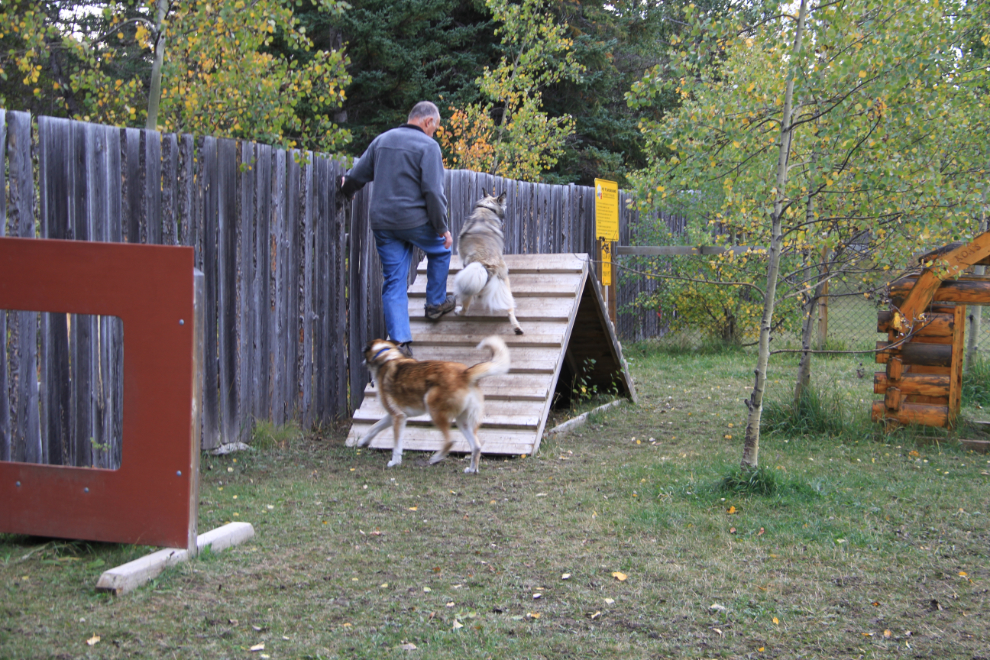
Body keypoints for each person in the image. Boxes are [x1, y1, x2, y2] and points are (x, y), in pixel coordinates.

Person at [338, 101, 455, 357]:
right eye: (435, 127)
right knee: (442, 250)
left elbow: (357, 175)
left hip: (382, 223)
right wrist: (442, 228)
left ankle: (401, 343)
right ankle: (435, 303)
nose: (434, 132)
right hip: (414, 221)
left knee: (394, 280)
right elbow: (434, 193)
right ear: (427, 122)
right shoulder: (428, 146)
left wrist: (347, 189)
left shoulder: (382, 141)